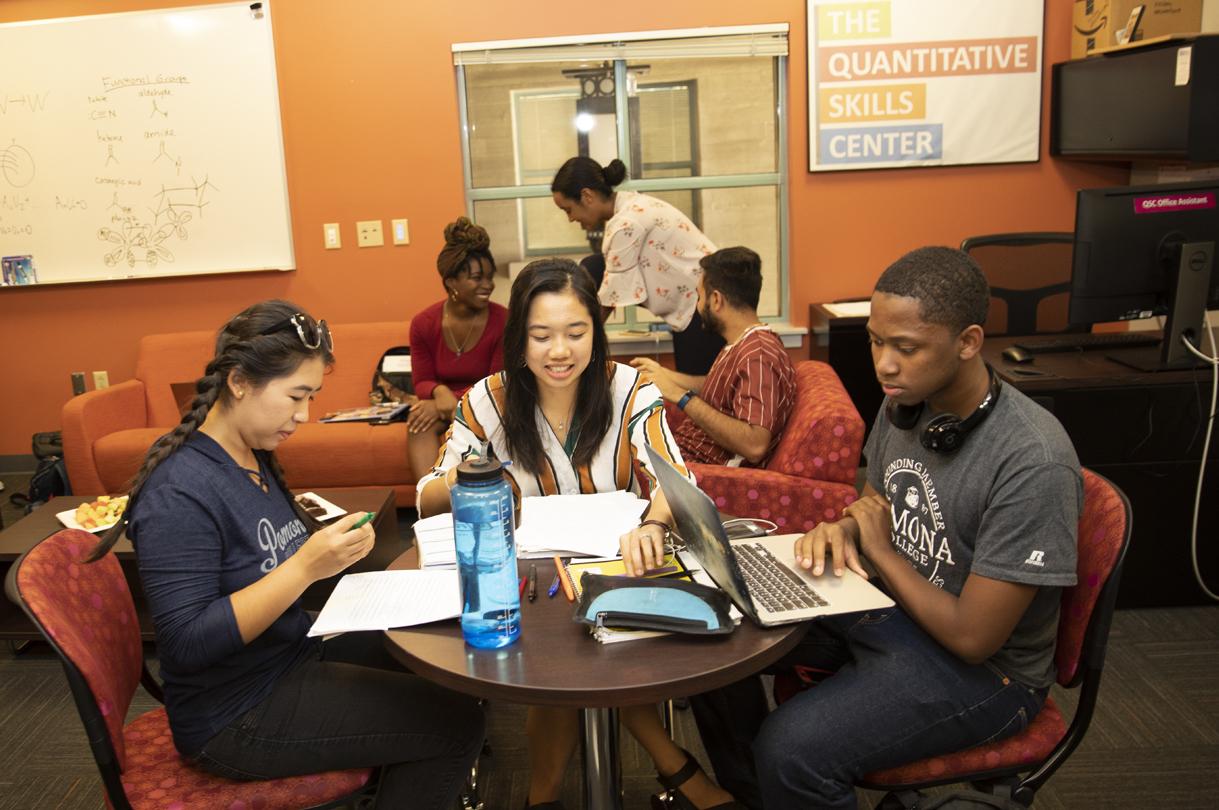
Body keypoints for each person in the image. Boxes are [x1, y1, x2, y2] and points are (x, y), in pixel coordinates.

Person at [688, 247, 1082, 809]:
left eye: (906, 347)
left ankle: (786, 783)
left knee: (791, 751)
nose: (884, 365)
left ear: (968, 342)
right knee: (714, 639)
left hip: (988, 676)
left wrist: (878, 547)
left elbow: (974, 638)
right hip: (891, 606)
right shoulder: (909, 402)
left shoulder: (1032, 460)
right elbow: (876, 501)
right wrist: (844, 530)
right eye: (876, 340)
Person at [88, 300, 485, 809]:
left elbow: (267, 565)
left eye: (311, 396)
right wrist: (305, 567)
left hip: (286, 655)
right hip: (234, 713)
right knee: (455, 725)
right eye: (297, 395)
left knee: (444, 655)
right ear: (238, 382)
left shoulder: (250, 455)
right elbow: (186, 642)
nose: (304, 414)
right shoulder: (179, 492)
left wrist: (329, 554)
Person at [418, 259, 741, 810]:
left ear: (597, 328)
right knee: (559, 657)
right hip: (526, 580)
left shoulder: (630, 389)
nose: (559, 351)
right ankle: (675, 769)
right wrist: (472, 476)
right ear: (518, 336)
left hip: (613, 566)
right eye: (541, 336)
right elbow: (427, 494)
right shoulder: (486, 401)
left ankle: (541, 798)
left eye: (576, 332)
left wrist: (654, 522)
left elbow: (674, 479)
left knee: (579, 655)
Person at [551, 156, 725, 376]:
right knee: (593, 265)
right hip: (696, 308)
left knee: (698, 397)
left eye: (568, 210)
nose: (571, 219)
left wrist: (580, 342)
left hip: (703, 309)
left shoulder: (626, 223)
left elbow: (610, 296)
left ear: (587, 196)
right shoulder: (632, 206)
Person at [630, 246, 795, 467]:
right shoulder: (744, 343)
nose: (697, 306)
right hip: (682, 453)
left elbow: (754, 445)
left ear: (716, 300)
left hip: (699, 474)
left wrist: (680, 396)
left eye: (699, 297)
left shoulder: (758, 356)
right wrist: (665, 376)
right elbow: (721, 388)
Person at [406, 216, 507, 480]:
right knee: (418, 424)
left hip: (490, 404)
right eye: (476, 278)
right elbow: (422, 380)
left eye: (489, 277)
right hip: (446, 403)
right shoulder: (423, 323)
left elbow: (497, 383)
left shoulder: (503, 320)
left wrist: (453, 401)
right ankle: (429, 504)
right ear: (451, 282)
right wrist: (438, 392)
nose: (488, 285)